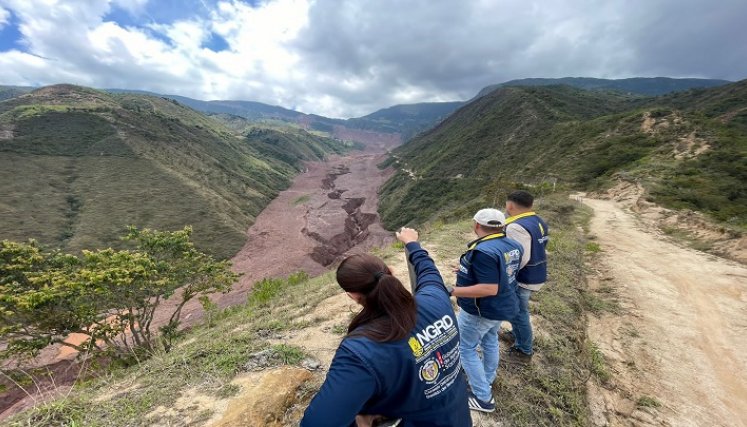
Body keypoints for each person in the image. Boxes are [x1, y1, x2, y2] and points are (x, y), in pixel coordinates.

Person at [301, 227, 471, 427]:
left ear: (353, 296)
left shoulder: (360, 352)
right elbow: (427, 269)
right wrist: (412, 243)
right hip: (459, 417)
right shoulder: (436, 299)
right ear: (390, 271)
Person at [449, 208, 523, 413]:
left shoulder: (483, 251)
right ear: (501, 226)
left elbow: (490, 288)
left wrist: (452, 290)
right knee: (490, 340)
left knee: (466, 349)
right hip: (501, 306)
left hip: (481, 311)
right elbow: (503, 272)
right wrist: (468, 270)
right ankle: (487, 377)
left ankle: (483, 397)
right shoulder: (512, 245)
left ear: (477, 226)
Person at [502, 190, 549, 364]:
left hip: (524, 276)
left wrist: (508, 275)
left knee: (519, 312)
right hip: (537, 271)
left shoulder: (515, 226)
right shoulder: (538, 220)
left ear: (510, 205)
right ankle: (516, 335)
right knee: (518, 311)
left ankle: (524, 350)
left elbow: (520, 256)